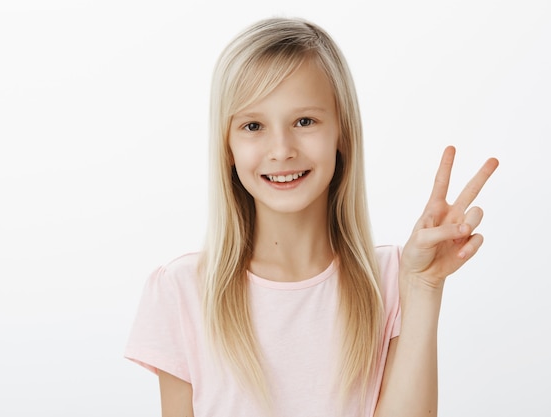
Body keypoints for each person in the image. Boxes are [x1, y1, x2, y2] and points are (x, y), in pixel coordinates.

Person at [124, 17, 499, 417]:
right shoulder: (181, 292)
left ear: (342, 132)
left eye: (305, 121)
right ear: (227, 147)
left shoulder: (393, 278)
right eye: (253, 125)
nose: (281, 149)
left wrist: (423, 287)